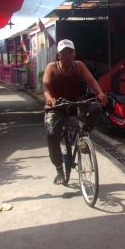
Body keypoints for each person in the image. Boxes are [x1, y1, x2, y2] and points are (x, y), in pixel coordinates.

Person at [43, 39, 106, 185]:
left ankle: (83, 136)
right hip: (57, 104)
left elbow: (91, 80)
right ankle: (59, 170)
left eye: (69, 52)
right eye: (63, 52)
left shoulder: (79, 66)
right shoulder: (52, 67)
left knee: (96, 108)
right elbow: (45, 87)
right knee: (52, 134)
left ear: (74, 53)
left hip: (76, 100)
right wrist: (50, 98)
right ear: (58, 55)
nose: (67, 55)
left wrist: (100, 93)